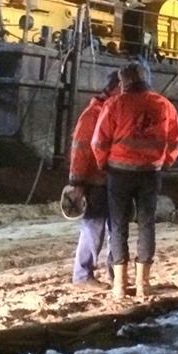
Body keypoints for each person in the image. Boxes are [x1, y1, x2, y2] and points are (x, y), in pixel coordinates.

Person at [91, 62, 178, 299]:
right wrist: (165, 162)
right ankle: (143, 284)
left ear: (125, 81)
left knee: (118, 225)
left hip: (119, 172)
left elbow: (98, 141)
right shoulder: (164, 105)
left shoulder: (114, 104)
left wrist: (103, 164)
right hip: (150, 173)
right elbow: (174, 141)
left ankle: (120, 285)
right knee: (146, 224)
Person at [67, 71, 121, 288]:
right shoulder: (93, 114)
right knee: (93, 227)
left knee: (113, 228)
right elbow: (80, 149)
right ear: (116, 88)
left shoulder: (110, 111)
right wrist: (77, 182)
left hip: (110, 179)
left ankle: (114, 274)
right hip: (95, 181)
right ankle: (82, 275)